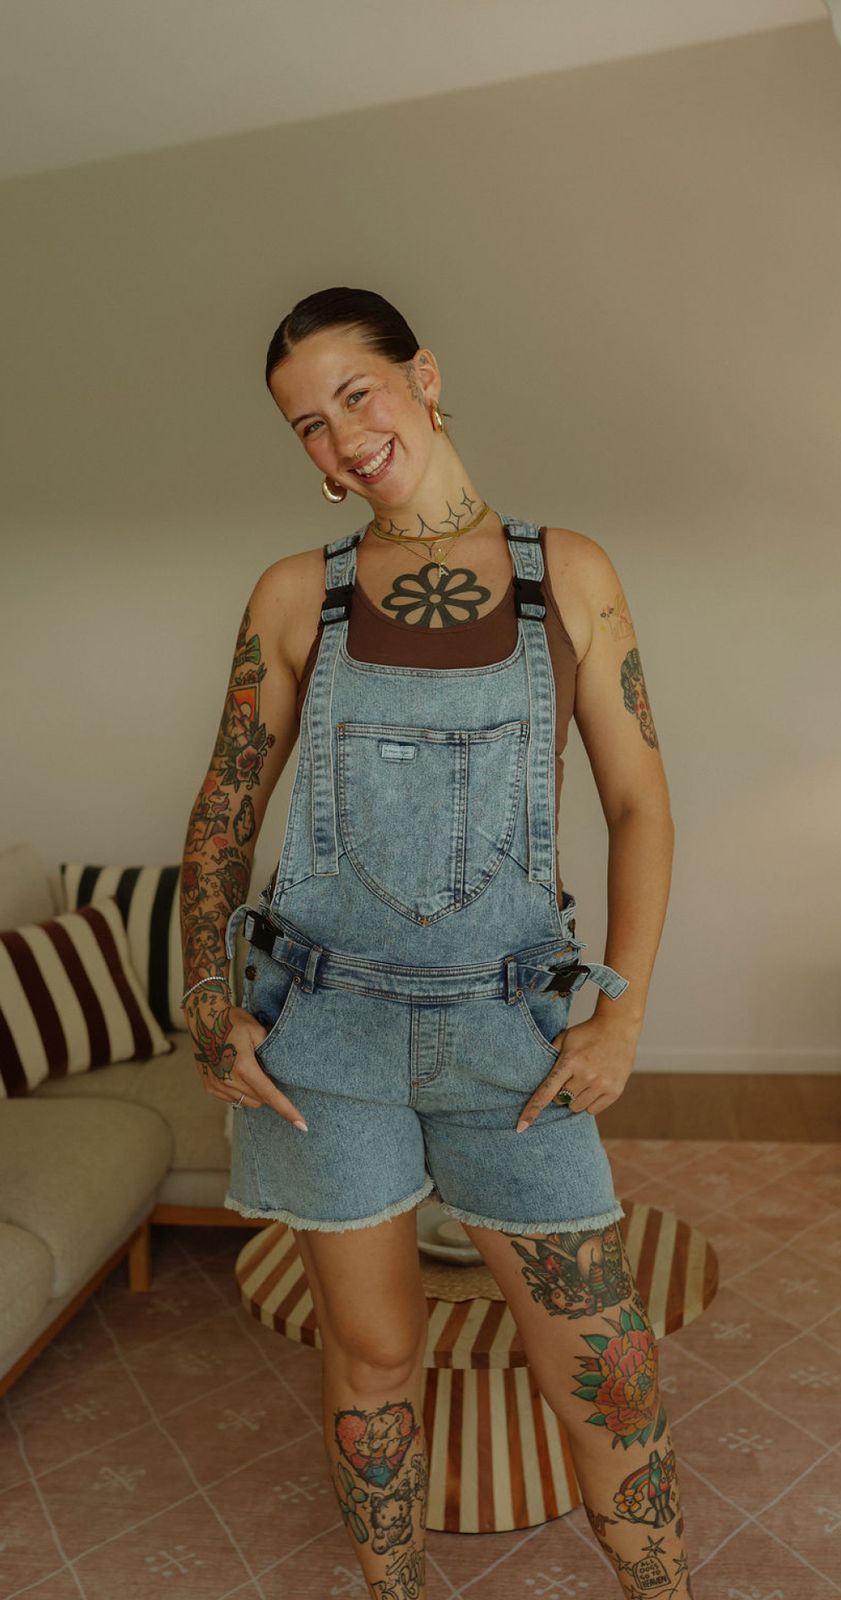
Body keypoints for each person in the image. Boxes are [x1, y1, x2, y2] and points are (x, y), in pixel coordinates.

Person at [180, 287, 690, 1598]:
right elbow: (221, 815)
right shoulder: (296, 595)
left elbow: (638, 803)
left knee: (604, 1361)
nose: (341, 439)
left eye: (356, 394)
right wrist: (206, 1000)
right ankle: (393, 1586)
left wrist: (619, 1012)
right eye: (307, 424)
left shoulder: (565, 575)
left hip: (510, 1032)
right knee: (370, 1357)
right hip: (325, 1039)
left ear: (422, 376)